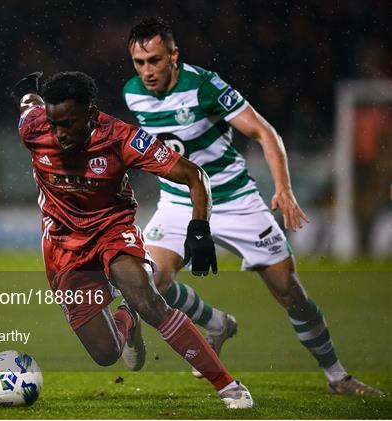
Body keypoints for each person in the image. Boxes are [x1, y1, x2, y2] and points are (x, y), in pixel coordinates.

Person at [123, 17, 383, 396]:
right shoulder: (133, 94)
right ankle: (215, 324)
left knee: (289, 291)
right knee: (150, 282)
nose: (147, 71)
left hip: (236, 202)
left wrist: (284, 189)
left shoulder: (205, 86)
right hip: (179, 203)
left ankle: (337, 376)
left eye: (155, 61)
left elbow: (264, 131)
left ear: (174, 56)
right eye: (139, 62)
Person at [11, 70, 254, 408]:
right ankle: (128, 320)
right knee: (106, 354)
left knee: (149, 300)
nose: (59, 133)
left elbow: (193, 175)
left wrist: (199, 228)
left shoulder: (122, 138)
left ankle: (228, 386)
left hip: (112, 230)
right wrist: (27, 95)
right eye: (54, 124)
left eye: (68, 123)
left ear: (92, 114)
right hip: (63, 246)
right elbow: (29, 106)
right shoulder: (34, 128)